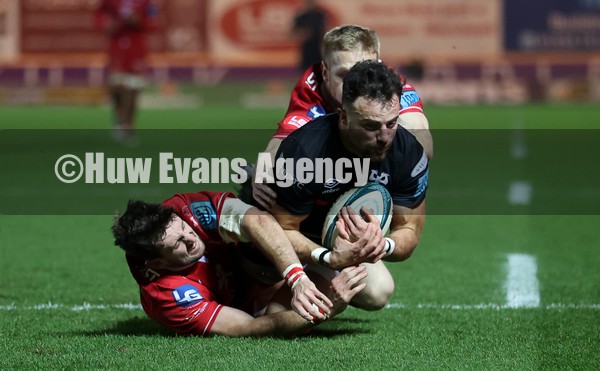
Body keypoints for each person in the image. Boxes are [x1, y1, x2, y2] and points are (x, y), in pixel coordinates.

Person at [265, 60, 429, 311]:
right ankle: (270, 287)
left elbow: (409, 229)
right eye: (371, 126)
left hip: (342, 246)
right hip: (295, 242)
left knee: (378, 292)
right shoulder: (305, 152)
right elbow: (282, 230)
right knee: (273, 310)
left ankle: (320, 282)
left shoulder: (408, 153)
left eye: (392, 123)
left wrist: (381, 245)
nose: (385, 137)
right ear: (343, 116)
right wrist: (328, 258)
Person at [111, 191, 367, 337]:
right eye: (178, 243)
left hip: (268, 265)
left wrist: (297, 278)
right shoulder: (169, 297)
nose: (191, 238)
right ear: (157, 261)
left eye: (184, 228)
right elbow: (249, 327)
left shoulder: (182, 210)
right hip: (251, 299)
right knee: (279, 319)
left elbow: (257, 221)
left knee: (377, 290)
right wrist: (329, 307)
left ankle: (333, 250)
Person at [250, 24, 433, 210]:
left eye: (363, 72)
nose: (353, 84)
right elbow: (283, 138)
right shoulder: (311, 90)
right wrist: (264, 165)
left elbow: (423, 145)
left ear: (378, 66)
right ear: (325, 72)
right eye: (343, 75)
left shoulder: (389, 86)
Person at [95, 0, 157, 144]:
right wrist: (107, 24)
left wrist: (138, 21)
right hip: (117, 46)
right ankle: (119, 119)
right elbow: (100, 15)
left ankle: (127, 125)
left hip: (136, 48)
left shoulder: (146, 2)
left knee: (133, 88)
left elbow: (154, 21)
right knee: (116, 85)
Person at [291, 0, 327, 71]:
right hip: (306, 51)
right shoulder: (301, 17)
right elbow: (292, 33)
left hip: (317, 49)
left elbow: (325, 30)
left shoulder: (319, 15)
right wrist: (303, 34)